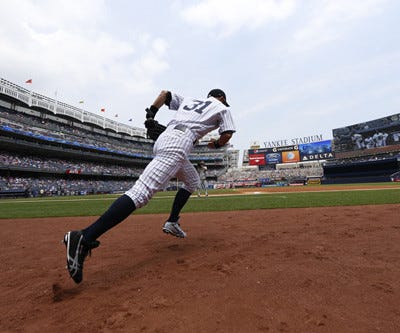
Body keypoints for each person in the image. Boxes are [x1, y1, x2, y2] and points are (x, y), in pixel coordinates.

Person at [63, 88, 236, 284]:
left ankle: (172, 221)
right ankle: (84, 237)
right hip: (179, 143)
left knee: (193, 180)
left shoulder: (190, 99)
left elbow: (165, 94)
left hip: (165, 138)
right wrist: (216, 145)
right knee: (141, 193)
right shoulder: (221, 107)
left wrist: (150, 114)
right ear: (221, 98)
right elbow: (227, 134)